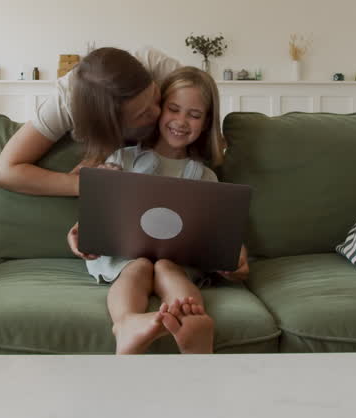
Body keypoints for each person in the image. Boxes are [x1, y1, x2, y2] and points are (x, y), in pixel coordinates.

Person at [66, 66, 250, 354]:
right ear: (157, 110)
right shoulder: (121, 159)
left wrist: (234, 259)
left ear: (206, 122)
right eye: (173, 109)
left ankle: (192, 323)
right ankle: (126, 323)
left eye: (194, 114)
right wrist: (80, 235)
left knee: (167, 269)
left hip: (177, 260)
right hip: (125, 257)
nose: (181, 121)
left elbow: (218, 234)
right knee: (138, 267)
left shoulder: (206, 177)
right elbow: (95, 218)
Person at [0, 46, 181, 196]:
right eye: (143, 114)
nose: (158, 113)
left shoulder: (157, 66)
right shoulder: (66, 101)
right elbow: (5, 172)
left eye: (157, 97)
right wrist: (85, 183)